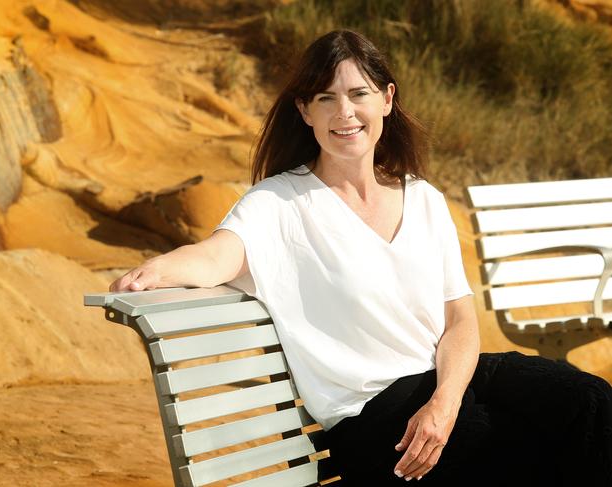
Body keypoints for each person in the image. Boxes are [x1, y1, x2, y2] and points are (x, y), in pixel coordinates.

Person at [110, 30, 612, 486]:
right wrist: (158, 269)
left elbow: (460, 320)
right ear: (305, 112)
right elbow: (217, 256)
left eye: (358, 94)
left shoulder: (424, 198)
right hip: (376, 418)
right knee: (516, 453)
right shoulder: (279, 204)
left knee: (590, 404)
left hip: (455, 382)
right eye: (325, 98)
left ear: (387, 99)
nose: (344, 113)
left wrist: (444, 402)